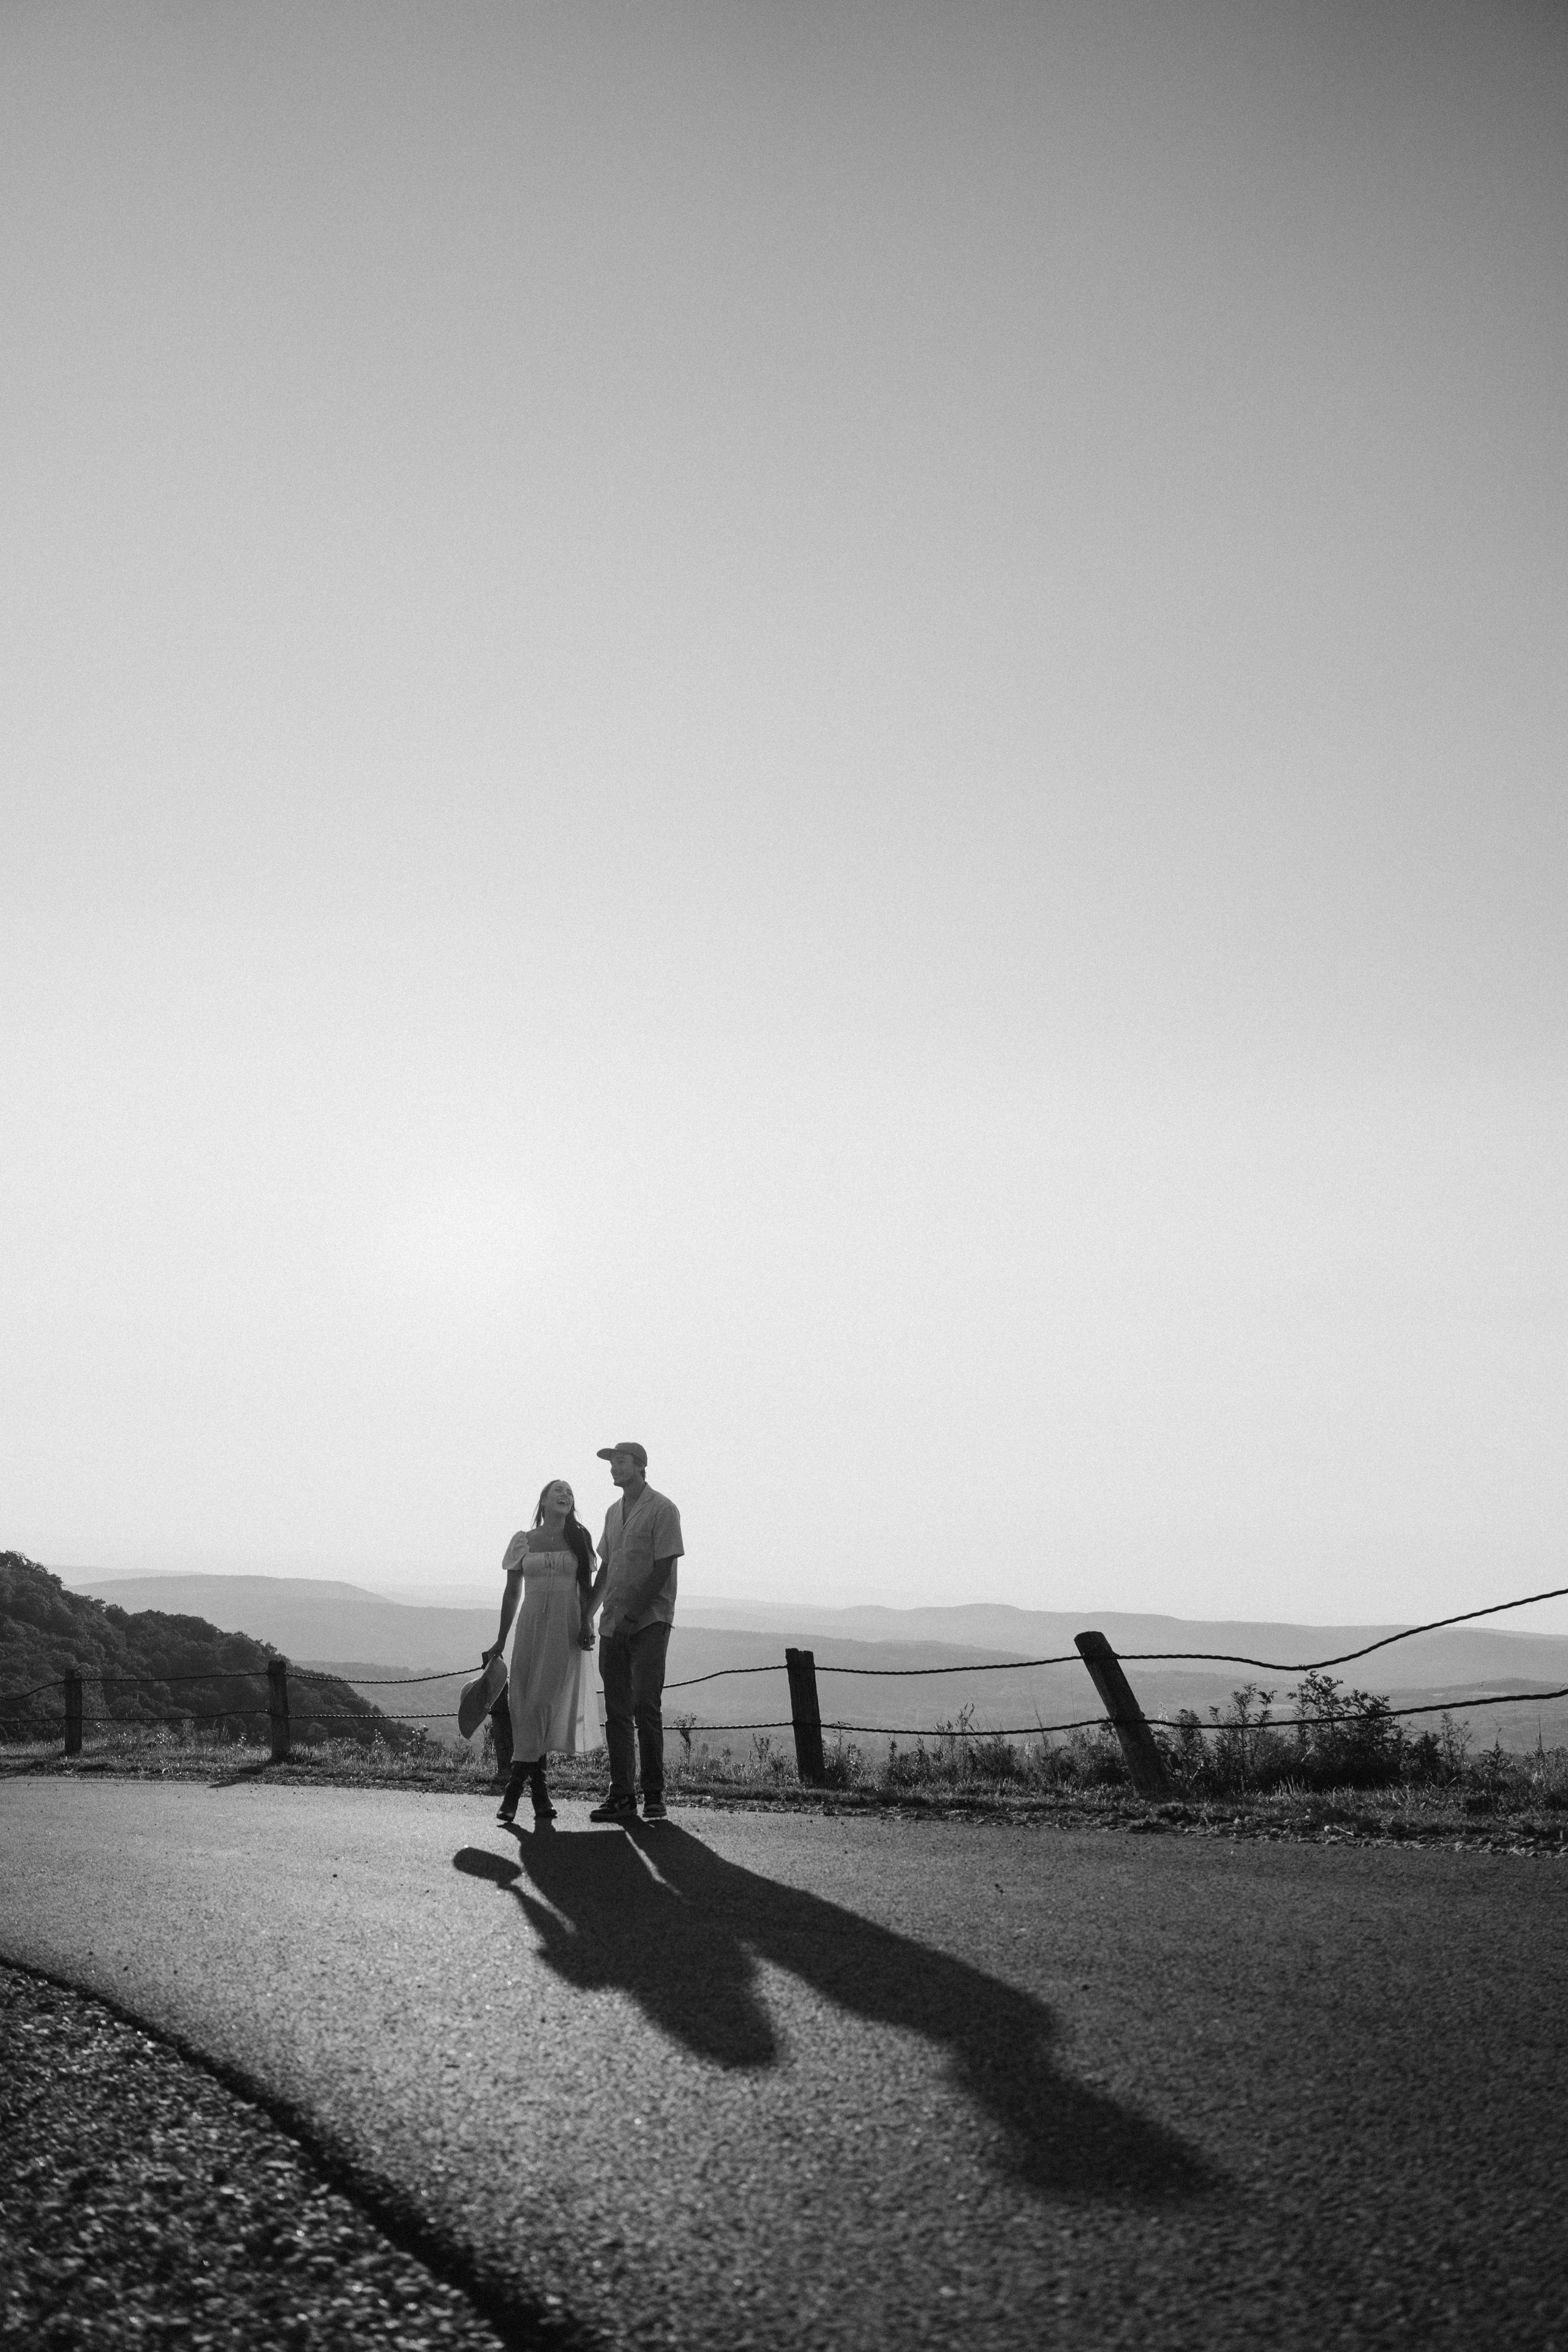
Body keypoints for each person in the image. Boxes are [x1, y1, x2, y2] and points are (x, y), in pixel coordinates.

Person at [484, 1478, 600, 1825]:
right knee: (523, 1705)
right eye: (557, 1491)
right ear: (544, 1501)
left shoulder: (580, 1538)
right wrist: (501, 1639)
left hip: (566, 1628)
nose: (565, 1495)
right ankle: (540, 1793)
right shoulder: (523, 1540)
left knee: (542, 1704)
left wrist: (587, 1623)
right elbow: (511, 1593)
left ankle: (514, 1790)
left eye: (570, 1492)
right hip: (531, 1627)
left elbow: (586, 1589)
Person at [587, 1442, 684, 1823]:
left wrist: (633, 1617)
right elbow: (606, 1568)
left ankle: (654, 1793)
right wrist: (587, 1616)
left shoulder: (663, 1509)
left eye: (621, 1461)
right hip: (613, 1622)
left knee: (645, 1705)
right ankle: (622, 1795)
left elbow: (663, 1568)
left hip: (649, 1622)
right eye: (612, 1462)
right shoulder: (613, 1513)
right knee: (616, 1712)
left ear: (641, 1466)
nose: (614, 1467)